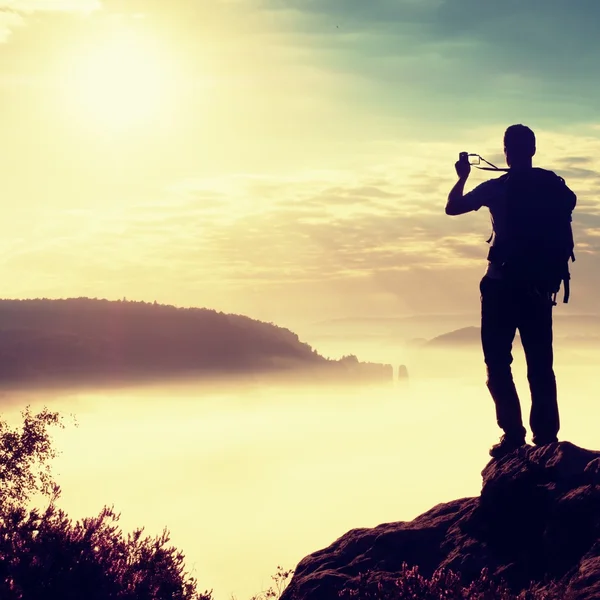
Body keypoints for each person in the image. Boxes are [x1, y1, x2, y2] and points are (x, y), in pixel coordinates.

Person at [445, 125, 577, 458]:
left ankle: (513, 435)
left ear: (506, 150)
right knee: (540, 364)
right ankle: (546, 438)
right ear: (532, 149)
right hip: (537, 288)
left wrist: (461, 176)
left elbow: (453, 207)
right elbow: (569, 205)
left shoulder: (496, 187)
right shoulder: (553, 186)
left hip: (501, 285)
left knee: (498, 362)